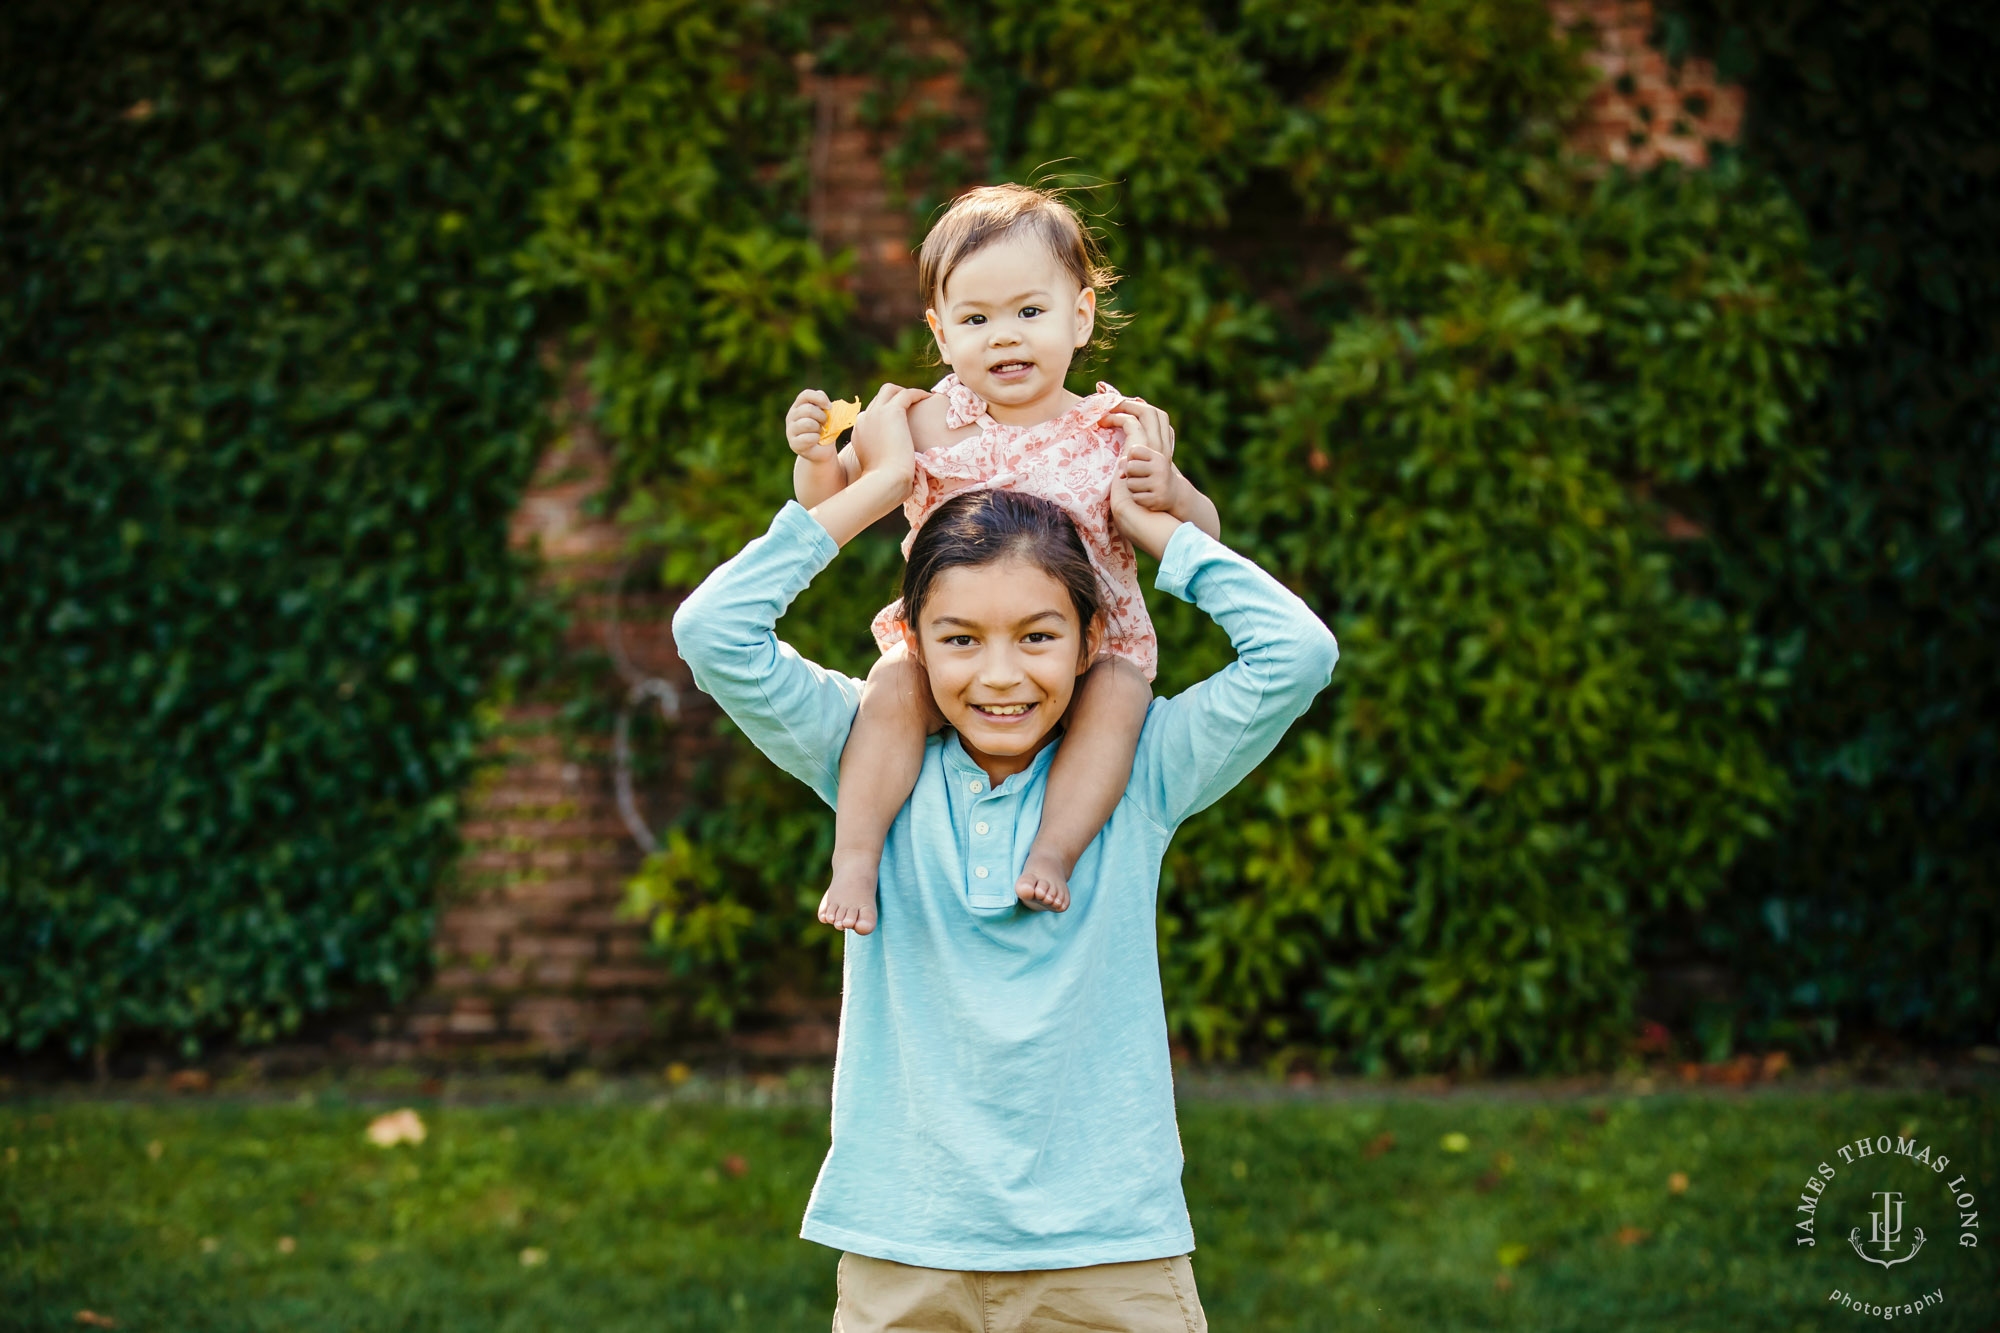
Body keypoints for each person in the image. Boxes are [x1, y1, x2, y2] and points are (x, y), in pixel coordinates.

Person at [671, 378, 1338, 1331]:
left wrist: (1156, 526)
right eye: (958, 638)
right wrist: (879, 483)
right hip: (906, 1246)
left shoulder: (1139, 773)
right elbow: (710, 631)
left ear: (1089, 641)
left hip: (1108, 1251)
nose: (998, 675)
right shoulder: (867, 756)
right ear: (912, 641)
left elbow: (1297, 654)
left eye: (1037, 636)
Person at [784, 182, 1222, 936]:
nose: (1005, 336)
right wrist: (817, 454)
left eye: (1029, 312)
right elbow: (833, 506)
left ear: (1079, 316)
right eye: (976, 319)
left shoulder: (1114, 433)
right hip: (950, 653)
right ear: (941, 333)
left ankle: (1054, 850)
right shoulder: (921, 422)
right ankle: (855, 855)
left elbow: (1205, 536)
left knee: (1122, 695)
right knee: (891, 685)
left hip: (1085, 656)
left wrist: (1175, 491)